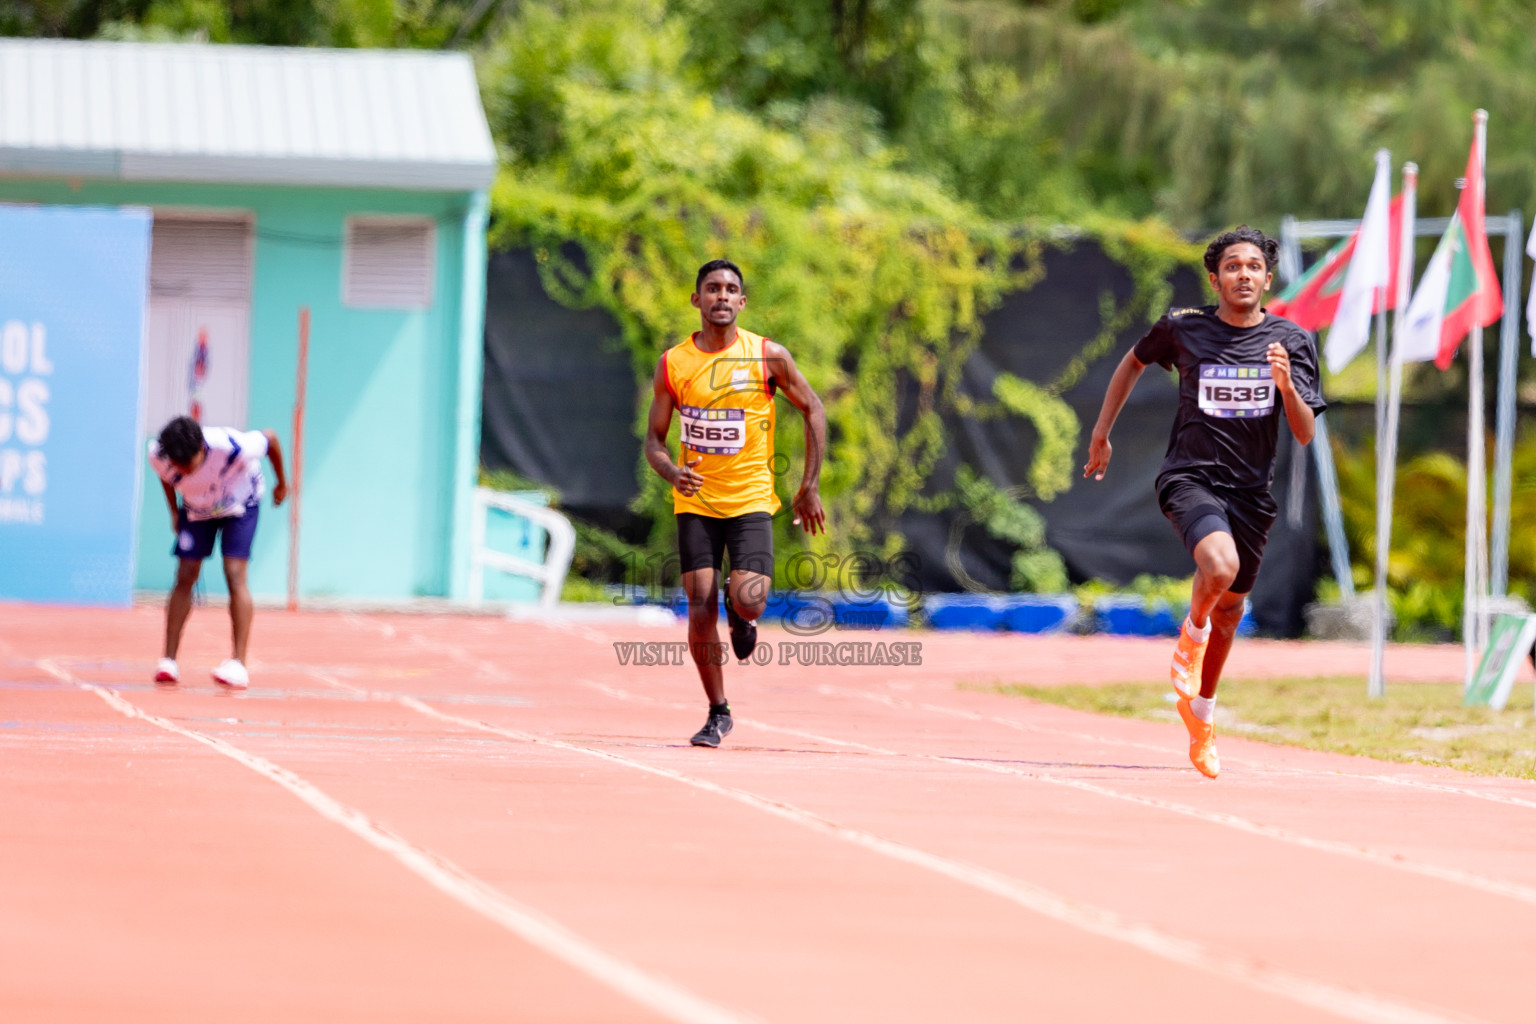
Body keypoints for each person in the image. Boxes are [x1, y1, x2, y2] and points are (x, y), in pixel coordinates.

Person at [1083, 226, 1324, 778]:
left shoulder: (1291, 341)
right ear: (1215, 279)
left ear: (1268, 278)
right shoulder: (1184, 329)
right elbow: (1133, 362)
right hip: (1190, 477)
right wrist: (1102, 431)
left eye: (1254, 266)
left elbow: (1305, 434)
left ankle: (1203, 712)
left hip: (1250, 493)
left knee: (1234, 609)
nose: (1244, 274)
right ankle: (1190, 636)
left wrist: (1286, 388)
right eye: (1233, 267)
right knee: (1219, 565)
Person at [644, 259, 827, 747]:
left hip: (749, 499)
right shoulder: (674, 364)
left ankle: (742, 615)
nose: (721, 296)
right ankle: (717, 711)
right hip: (696, 502)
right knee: (699, 607)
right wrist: (670, 471)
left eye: (730, 289)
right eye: (712, 288)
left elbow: (814, 408)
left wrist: (809, 485)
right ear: (696, 299)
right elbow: (654, 441)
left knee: (750, 599)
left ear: (741, 302)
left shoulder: (767, 356)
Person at [149, 416, 288, 689]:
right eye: (179, 467)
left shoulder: (232, 446)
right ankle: (168, 660)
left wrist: (281, 483)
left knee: (235, 573)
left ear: (202, 449)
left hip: (240, 505)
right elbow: (166, 477)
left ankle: (238, 663)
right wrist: (174, 511)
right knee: (186, 573)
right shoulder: (159, 455)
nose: (184, 472)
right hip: (197, 510)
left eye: (189, 465)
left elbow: (270, 437)